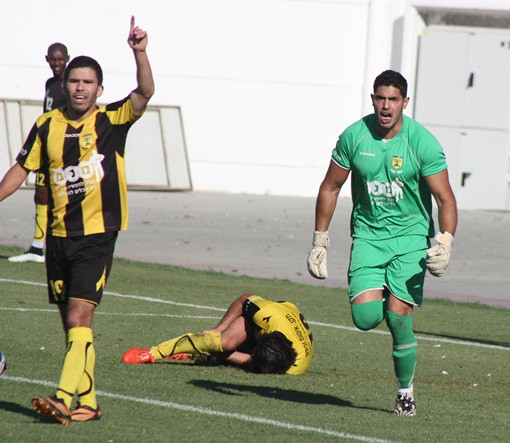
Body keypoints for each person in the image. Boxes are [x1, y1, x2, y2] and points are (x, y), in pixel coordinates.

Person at [0, 16, 154, 424]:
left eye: (88, 82)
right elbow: (20, 169)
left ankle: (62, 398)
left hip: (97, 235)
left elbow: (145, 93)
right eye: (74, 81)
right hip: (58, 238)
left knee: (78, 317)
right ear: (63, 86)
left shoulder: (111, 120)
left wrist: (139, 53)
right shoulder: (46, 125)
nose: (80, 87)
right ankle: (89, 403)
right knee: (71, 327)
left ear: (100, 89)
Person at [306, 70, 458, 416]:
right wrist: (319, 241)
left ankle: (405, 393)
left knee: (399, 317)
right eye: (380, 98)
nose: (386, 106)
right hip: (368, 238)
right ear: (372, 99)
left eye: (393, 100)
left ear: (405, 102)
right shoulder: (354, 136)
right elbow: (330, 187)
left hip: (410, 240)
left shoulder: (422, 143)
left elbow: (445, 199)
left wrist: (445, 241)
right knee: (364, 317)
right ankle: (390, 295)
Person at [122, 294, 314, 375]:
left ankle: (193, 353)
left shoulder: (296, 367)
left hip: (278, 337)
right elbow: (244, 299)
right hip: (278, 311)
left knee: (230, 355)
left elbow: (256, 364)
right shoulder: (265, 314)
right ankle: (153, 352)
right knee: (224, 342)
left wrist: (223, 355)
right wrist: (219, 330)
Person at [8, 43, 70, 263]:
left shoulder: (71, 85)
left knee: (65, 196)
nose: (56, 63)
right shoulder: (50, 83)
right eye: (53, 59)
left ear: (67, 59)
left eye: (60, 59)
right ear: (47, 59)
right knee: (41, 193)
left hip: (63, 148)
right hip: (46, 143)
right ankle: (37, 248)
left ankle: (66, 247)